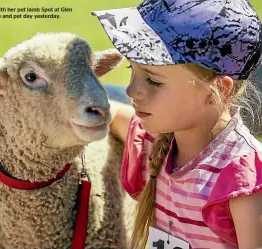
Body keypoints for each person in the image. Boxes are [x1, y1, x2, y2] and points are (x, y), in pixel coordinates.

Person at [91, 0, 262, 249]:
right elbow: (110, 112)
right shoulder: (155, 145)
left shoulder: (242, 181)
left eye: (153, 80)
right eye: (133, 69)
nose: (130, 90)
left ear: (217, 90)